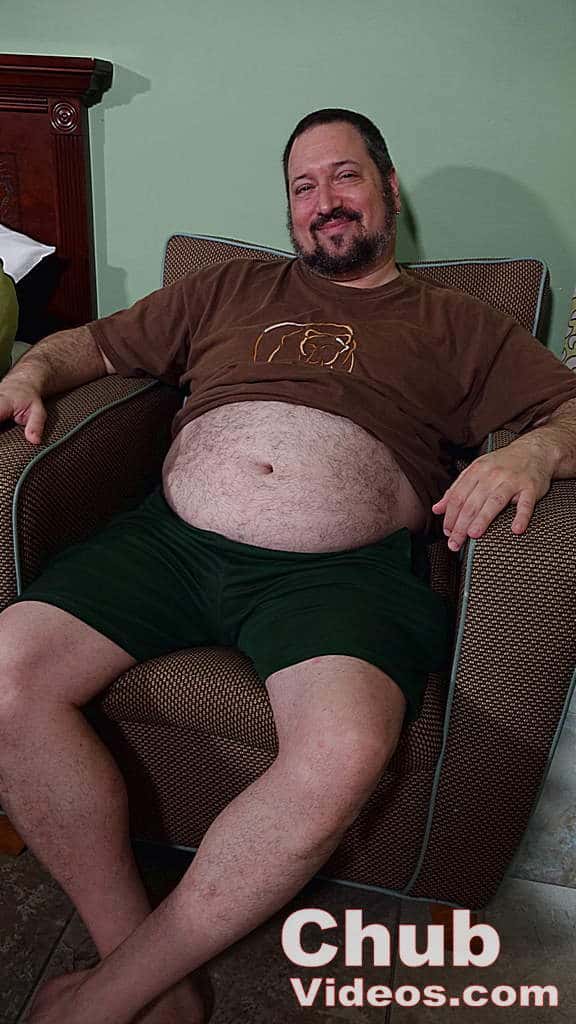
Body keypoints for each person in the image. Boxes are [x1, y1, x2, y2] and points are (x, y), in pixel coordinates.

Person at [1, 108, 576, 1024]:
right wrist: (31, 373)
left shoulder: (460, 323)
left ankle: (108, 997)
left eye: (345, 176)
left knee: (344, 751)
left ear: (389, 189)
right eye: (303, 187)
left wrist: (536, 452)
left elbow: (569, 408)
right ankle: (145, 973)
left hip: (338, 576)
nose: (324, 201)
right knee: (6, 676)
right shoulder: (230, 288)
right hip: (170, 545)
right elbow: (94, 344)